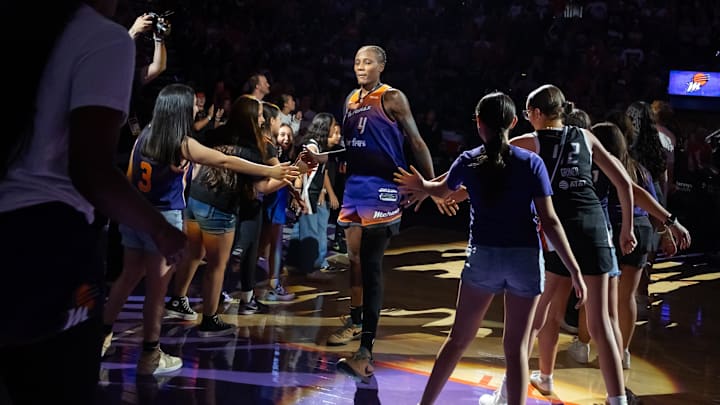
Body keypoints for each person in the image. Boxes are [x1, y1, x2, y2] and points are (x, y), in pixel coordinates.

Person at [0, 2, 185, 404]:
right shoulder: (103, 38)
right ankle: (149, 350)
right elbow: (90, 170)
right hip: (47, 233)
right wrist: (161, 228)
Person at [394, 92, 586, 405]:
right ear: (513, 122)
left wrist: (421, 186)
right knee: (516, 351)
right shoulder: (531, 162)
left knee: (457, 341)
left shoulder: (468, 159)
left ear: (479, 123)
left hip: (483, 257)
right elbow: (550, 222)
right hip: (525, 259)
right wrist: (574, 270)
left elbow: (441, 190)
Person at [102, 86, 296, 369]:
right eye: (193, 105)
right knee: (157, 291)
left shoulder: (144, 134)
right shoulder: (180, 142)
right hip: (164, 218)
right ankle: (150, 354)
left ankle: (102, 335)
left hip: (136, 214)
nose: (197, 110)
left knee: (127, 278)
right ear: (179, 109)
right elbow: (225, 161)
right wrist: (269, 170)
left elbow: (132, 176)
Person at [505, 84, 636, 405]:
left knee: (537, 314)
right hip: (594, 228)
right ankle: (616, 399)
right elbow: (623, 182)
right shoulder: (587, 137)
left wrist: (440, 188)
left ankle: (509, 392)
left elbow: (483, 159)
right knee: (600, 320)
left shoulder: (531, 140)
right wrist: (627, 230)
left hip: (559, 233)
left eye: (527, 113)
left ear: (536, 114)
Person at [327, 45, 452, 381]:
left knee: (370, 264)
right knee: (352, 258)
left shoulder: (392, 97)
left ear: (381, 66)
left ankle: (366, 350)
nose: (361, 66)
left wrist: (430, 185)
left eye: (368, 62)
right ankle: (356, 320)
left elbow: (417, 141)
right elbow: (353, 145)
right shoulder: (350, 100)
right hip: (354, 188)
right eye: (356, 62)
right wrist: (323, 155)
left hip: (383, 189)